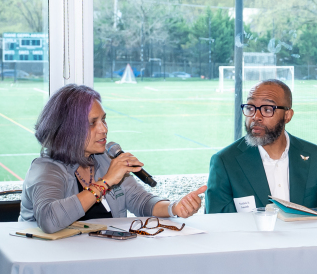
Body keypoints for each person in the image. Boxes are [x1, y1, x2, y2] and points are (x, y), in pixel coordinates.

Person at [20, 85, 206, 233]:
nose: (104, 129)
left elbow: (141, 202)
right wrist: (106, 182)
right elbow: (50, 220)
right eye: (93, 123)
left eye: (104, 120)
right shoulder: (46, 168)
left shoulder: (105, 160)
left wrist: (175, 208)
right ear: (69, 129)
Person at [206, 79, 317, 212]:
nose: (256, 116)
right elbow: (218, 222)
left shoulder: (316, 157)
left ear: (287, 115)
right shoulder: (225, 162)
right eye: (250, 108)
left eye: (267, 109)